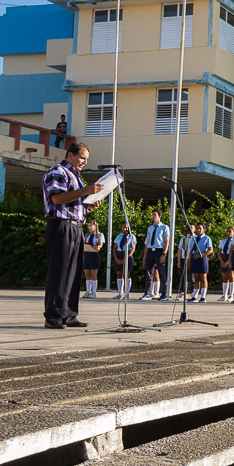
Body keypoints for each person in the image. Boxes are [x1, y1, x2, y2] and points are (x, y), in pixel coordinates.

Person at [41, 141, 105, 329]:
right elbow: (57, 198)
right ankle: (53, 317)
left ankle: (68, 314)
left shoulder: (76, 177)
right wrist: (86, 191)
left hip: (76, 227)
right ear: (70, 155)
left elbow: (74, 202)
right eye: (82, 158)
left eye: (86, 159)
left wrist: (89, 204)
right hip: (61, 225)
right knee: (59, 272)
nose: (84, 162)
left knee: (74, 273)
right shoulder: (58, 171)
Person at [141, 210, 171, 301]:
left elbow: (166, 241)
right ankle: (147, 293)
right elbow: (147, 242)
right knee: (148, 272)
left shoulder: (164, 227)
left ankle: (163, 294)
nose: (153, 216)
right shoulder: (150, 228)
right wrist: (144, 256)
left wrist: (164, 253)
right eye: (152, 215)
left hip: (159, 251)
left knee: (161, 273)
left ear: (159, 216)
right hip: (151, 251)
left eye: (155, 215)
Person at [112, 222, 137, 300]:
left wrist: (125, 258)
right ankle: (120, 292)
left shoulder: (132, 237)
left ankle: (127, 293)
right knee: (119, 274)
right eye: (123, 227)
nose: (125, 229)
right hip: (119, 254)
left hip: (127, 255)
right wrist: (116, 258)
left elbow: (133, 248)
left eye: (126, 227)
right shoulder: (119, 237)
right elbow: (115, 248)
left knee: (127, 274)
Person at [189, 223, 213, 303]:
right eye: (197, 228)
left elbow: (210, 250)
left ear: (204, 229)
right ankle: (194, 296)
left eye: (200, 228)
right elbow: (191, 250)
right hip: (194, 258)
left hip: (202, 258)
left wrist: (201, 255)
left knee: (203, 278)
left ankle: (203, 296)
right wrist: (189, 261)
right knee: (196, 278)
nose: (198, 230)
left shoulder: (207, 238)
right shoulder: (193, 238)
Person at [82, 220, 104, 299]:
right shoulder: (87, 235)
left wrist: (97, 246)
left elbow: (101, 244)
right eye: (89, 226)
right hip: (87, 254)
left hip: (94, 254)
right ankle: (88, 291)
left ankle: (94, 292)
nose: (89, 227)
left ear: (95, 227)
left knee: (93, 274)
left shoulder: (100, 235)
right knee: (87, 273)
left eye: (91, 226)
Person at [218, 226, 234, 302]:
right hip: (223, 258)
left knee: (231, 277)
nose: (228, 233)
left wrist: (228, 261)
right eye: (227, 231)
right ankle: (224, 295)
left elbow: (233, 252)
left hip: (230, 258)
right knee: (224, 277)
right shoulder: (223, 241)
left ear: (233, 232)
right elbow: (219, 252)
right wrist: (222, 261)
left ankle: (231, 295)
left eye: (230, 232)